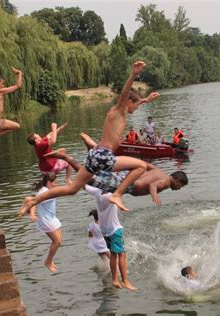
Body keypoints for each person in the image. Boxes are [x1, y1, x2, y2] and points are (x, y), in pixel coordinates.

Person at [19, 61, 160, 217]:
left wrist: (146, 100)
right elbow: (125, 94)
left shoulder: (121, 113)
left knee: (72, 189)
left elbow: (132, 101)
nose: (138, 108)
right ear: (128, 103)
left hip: (94, 156)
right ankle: (117, 194)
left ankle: (32, 201)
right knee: (141, 166)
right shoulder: (119, 109)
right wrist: (133, 74)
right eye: (137, 105)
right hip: (104, 156)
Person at [44, 136, 188, 206]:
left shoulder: (160, 171)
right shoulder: (166, 182)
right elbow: (153, 185)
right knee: (90, 178)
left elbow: (144, 164)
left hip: (126, 176)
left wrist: (131, 166)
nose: (179, 188)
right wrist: (154, 195)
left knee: (96, 170)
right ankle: (65, 157)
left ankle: (93, 148)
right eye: (181, 186)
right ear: (176, 180)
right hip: (126, 183)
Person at [85, 185, 137, 291]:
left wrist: (70, 180)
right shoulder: (110, 195)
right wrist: (121, 205)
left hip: (105, 232)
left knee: (113, 254)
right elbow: (113, 198)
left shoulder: (97, 192)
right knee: (121, 254)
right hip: (115, 230)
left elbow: (84, 185)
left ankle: (114, 279)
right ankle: (125, 281)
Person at [28, 173, 63, 273]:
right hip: (46, 220)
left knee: (60, 240)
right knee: (57, 242)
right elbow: (33, 201)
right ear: (48, 182)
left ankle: (50, 261)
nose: (56, 184)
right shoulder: (44, 192)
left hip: (52, 218)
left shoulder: (46, 190)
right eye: (54, 182)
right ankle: (48, 261)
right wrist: (32, 214)